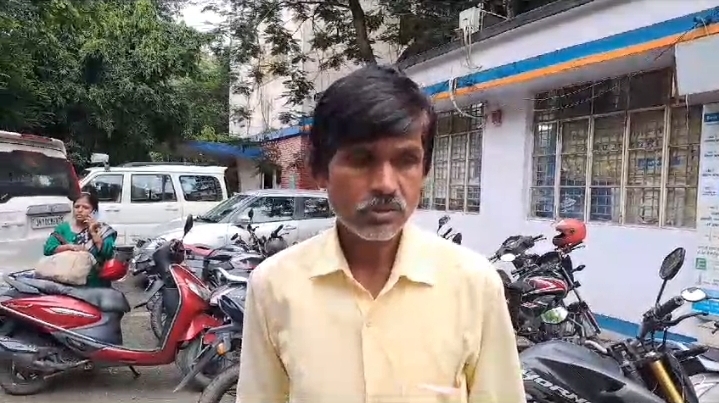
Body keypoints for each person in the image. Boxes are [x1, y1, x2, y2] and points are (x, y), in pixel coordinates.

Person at [237, 65, 525, 403]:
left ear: (425, 170)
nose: (386, 184)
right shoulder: (274, 286)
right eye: (361, 160)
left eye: (406, 160)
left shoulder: (474, 284)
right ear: (320, 171)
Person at [43, 191, 117, 287]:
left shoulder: (103, 230)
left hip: (96, 285)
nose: (80, 210)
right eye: (77, 207)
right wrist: (70, 247)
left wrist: (94, 233)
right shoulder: (63, 229)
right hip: (67, 284)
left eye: (85, 207)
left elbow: (109, 254)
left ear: (94, 211)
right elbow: (48, 249)